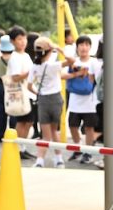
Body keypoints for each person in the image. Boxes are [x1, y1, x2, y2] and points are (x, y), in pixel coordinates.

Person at [31, 36, 71, 168]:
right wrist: (58, 48)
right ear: (49, 51)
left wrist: (38, 93)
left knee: (45, 134)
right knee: (55, 132)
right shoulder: (53, 66)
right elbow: (71, 61)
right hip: (56, 99)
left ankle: (40, 160)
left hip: (43, 100)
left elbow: (29, 86)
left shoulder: (35, 67)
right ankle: (59, 159)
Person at [64, 35, 102, 165]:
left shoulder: (94, 62)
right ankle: (77, 147)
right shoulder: (73, 62)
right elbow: (62, 75)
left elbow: (99, 78)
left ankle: (88, 151)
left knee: (89, 127)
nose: (84, 47)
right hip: (74, 100)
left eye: (86, 45)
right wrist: (77, 73)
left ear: (90, 47)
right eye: (81, 45)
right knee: (73, 125)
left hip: (90, 101)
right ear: (77, 47)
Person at [5, 27, 37, 158]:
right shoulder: (15, 57)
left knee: (28, 121)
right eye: (19, 39)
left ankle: (22, 147)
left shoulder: (26, 55)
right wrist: (31, 73)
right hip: (21, 93)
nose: (23, 41)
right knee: (22, 121)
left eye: (24, 38)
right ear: (12, 41)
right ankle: (17, 148)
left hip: (29, 92)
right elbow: (15, 77)